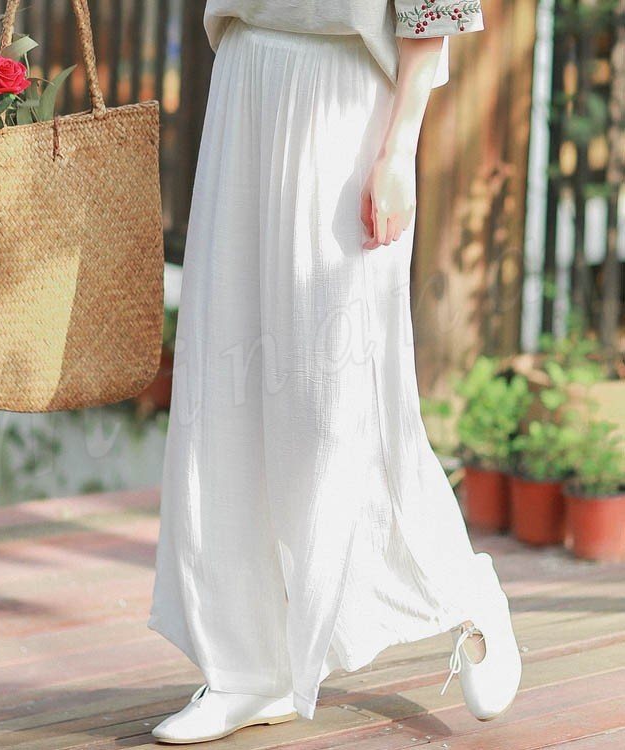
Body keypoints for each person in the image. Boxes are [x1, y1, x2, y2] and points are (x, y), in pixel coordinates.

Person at [148, 1, 522, 743]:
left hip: (344, 97)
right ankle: (245, 669)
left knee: (337, 401)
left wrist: (399, 148)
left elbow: (432, 7)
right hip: (244, 74)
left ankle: (459, 586)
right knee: (223, 387)